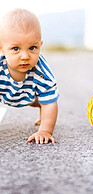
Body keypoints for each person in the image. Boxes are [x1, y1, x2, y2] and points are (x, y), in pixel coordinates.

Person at [0, 8, 59, 144]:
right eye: (16, 49)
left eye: (32, 48)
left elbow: (50, 102)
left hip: (31, 96)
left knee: (43, 102)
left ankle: (41, 110)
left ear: (40, 45)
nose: (25, 56)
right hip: (5, 92)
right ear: (2, 49)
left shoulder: (42, 72)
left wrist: (45, 130)